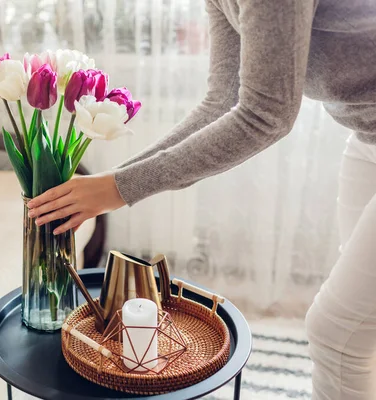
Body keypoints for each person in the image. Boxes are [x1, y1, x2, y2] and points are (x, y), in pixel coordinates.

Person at [27, 0, 376, 398]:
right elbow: (220, 103)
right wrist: (112, 183)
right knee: (366, 318)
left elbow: (265, 116)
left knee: (338, 334)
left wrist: (117, 189)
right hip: (367, 138)